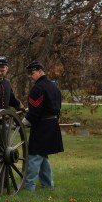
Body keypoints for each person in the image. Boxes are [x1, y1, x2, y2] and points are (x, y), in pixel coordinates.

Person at [22, 61, 63, 191]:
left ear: (40, 71)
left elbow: (34, 111)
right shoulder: (53, 87)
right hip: (52, 124)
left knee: (34, 155)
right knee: (43, 156)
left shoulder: (38, 88)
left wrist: (24, 122)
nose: (30, 76)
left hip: (42, 126)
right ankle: (48, 185)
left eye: (32, 73)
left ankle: (29, 185)